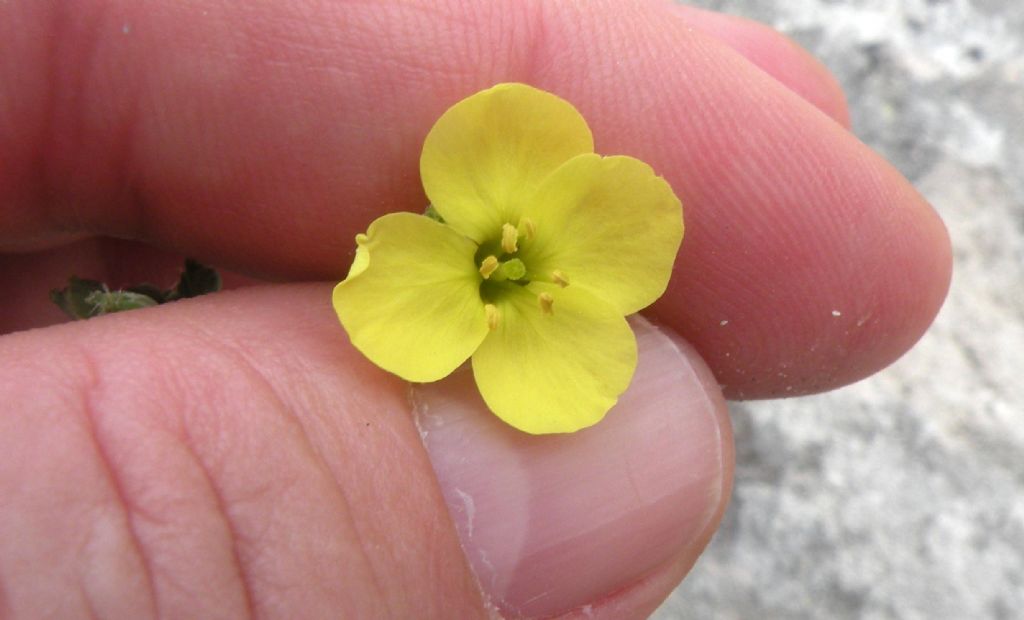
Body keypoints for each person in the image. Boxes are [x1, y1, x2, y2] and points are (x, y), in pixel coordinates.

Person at [0, 1, 951, 618]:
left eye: (507, 269)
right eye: (501, 267)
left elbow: (628, 238)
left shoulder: (576, 234)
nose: (506, 266)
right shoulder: (438, 237)